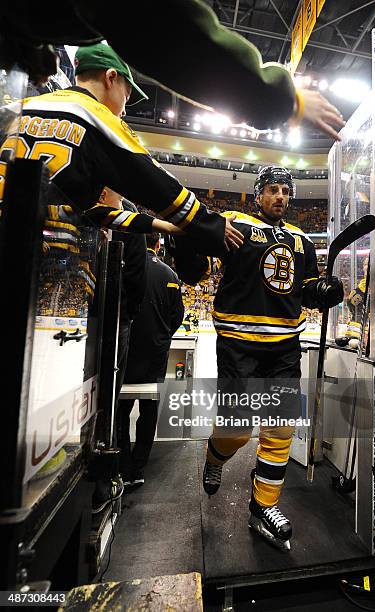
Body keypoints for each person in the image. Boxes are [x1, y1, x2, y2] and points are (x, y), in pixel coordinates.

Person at [170, 167, 343, 550]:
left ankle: (264, 505)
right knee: (238, 429)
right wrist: (185, 242)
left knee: (281, 428)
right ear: (258, 193)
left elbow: (308, 289)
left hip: (284, 345)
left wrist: (325, 291)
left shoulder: (300, 238)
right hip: (239, 344)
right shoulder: (234, 225)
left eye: (285, 191)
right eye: (273, 190)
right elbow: (198, 272)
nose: (280, 196)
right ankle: (216, 458)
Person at [0, 43, 243, 255]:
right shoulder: (97, 117)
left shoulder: (19, 106)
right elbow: (155, 182)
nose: (124, 110)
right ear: (111, 77)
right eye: (126, 95)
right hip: (35, 250)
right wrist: (209, 224)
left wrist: (165, 226)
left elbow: (93, 212)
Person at [1, 1, 344, 142]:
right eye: (129, 92)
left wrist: (30, 43)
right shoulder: (92, 118)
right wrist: (278, 98)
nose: (125, 103)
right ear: (111, 77)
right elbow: (166, 29)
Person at [117, 232, 184, 487]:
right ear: (158, 244)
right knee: (149, 411)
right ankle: (138, 468)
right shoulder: (169, 274)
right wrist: (163, 336)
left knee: (121, 409)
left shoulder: (126, 268)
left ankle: (122, 466)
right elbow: (178, 314)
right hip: (155, 353)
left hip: (127, 351)